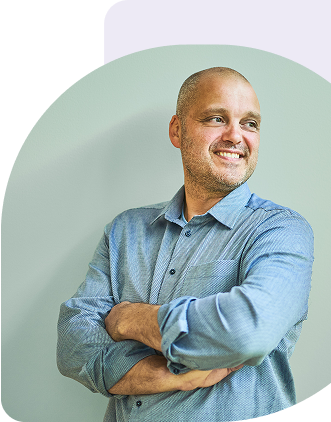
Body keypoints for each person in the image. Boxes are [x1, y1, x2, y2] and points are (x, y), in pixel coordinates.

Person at [57, 67, 314, 421]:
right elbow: (73, 345)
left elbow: (247, 332)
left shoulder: (281, 230)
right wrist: (173, 376)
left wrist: (129, 318)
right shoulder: (125, 231)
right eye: (216, 118)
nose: (235, 136)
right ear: (177, 130)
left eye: (250, 123)